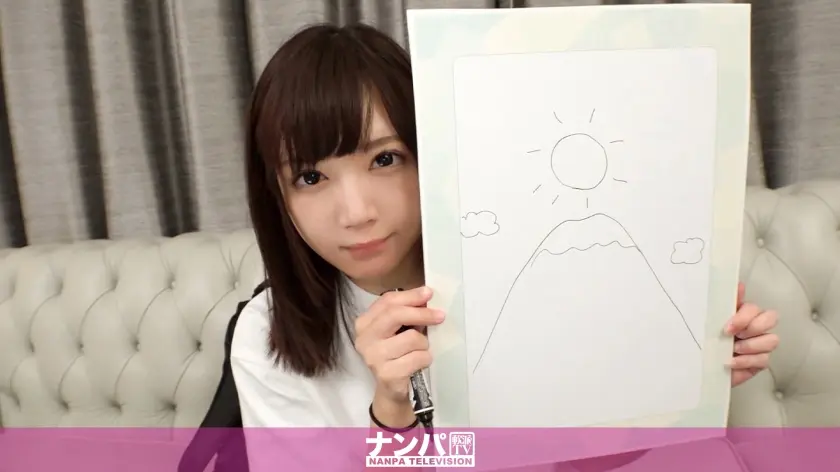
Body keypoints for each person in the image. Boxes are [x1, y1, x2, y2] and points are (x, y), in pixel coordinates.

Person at [232, 21, 780, 466]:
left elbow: (589, 455)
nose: (357, 213)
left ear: (434, 154)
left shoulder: (521, 276)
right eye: (310, 177)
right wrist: (393, 416)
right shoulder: (265, 336)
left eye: (385, 159)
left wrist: (686, 370)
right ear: (276, 194)